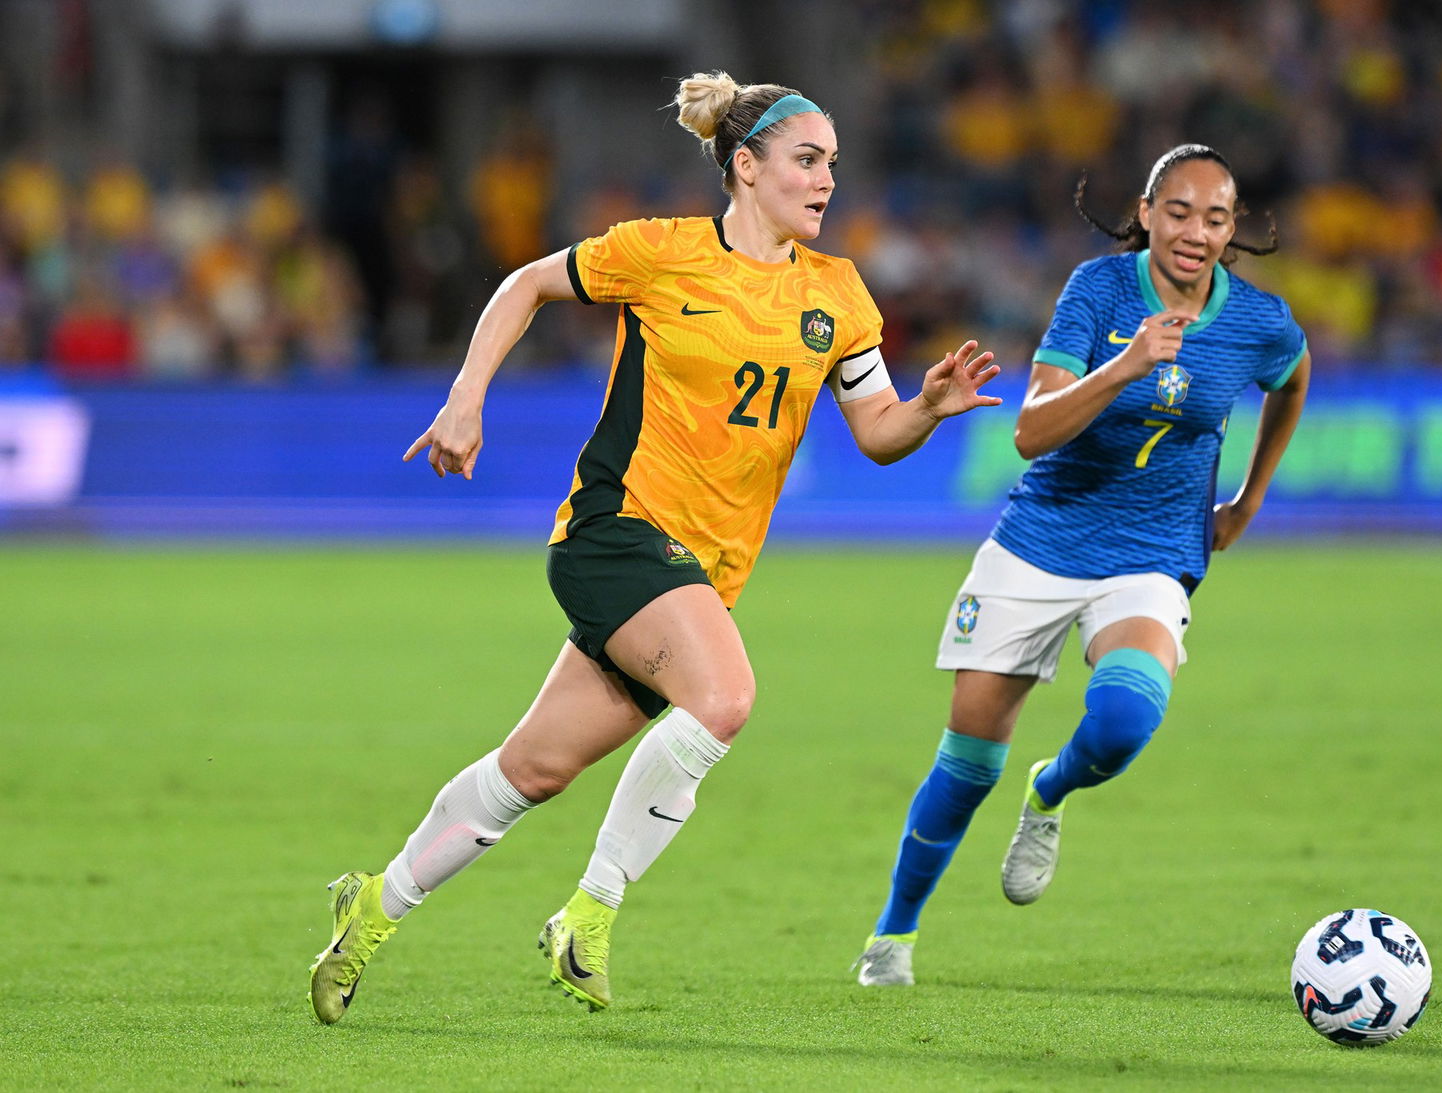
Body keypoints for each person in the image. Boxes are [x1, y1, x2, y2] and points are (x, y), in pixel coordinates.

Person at [307, 71, 1001, 1022]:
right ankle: (588, 914)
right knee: (725, 698)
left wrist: (925, 406)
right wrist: (464, 397)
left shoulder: (838, 294)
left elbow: (876, 431)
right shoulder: (660, 252)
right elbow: (525, 285)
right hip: (615, 531)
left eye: (832, 163)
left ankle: (371, 908)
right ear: (745, 167)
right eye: (806, 160)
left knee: (533, 771)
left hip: (701, 579)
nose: (825, 180)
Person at [853, 144, 1310, 986]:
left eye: (1215, 218)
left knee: (1128, 717)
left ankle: (1050, 791)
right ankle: (894, 933)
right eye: (1178, 212)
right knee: (965, 766)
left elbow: (1292, 375)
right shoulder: (1096, 292)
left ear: (1232, 229)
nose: (1195, 232)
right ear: (1146, 212)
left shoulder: (1255, 320)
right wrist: (1128, 363)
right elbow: (1030, 432)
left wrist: (1247, 500)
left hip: (1152, 553)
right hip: (1043, 540)